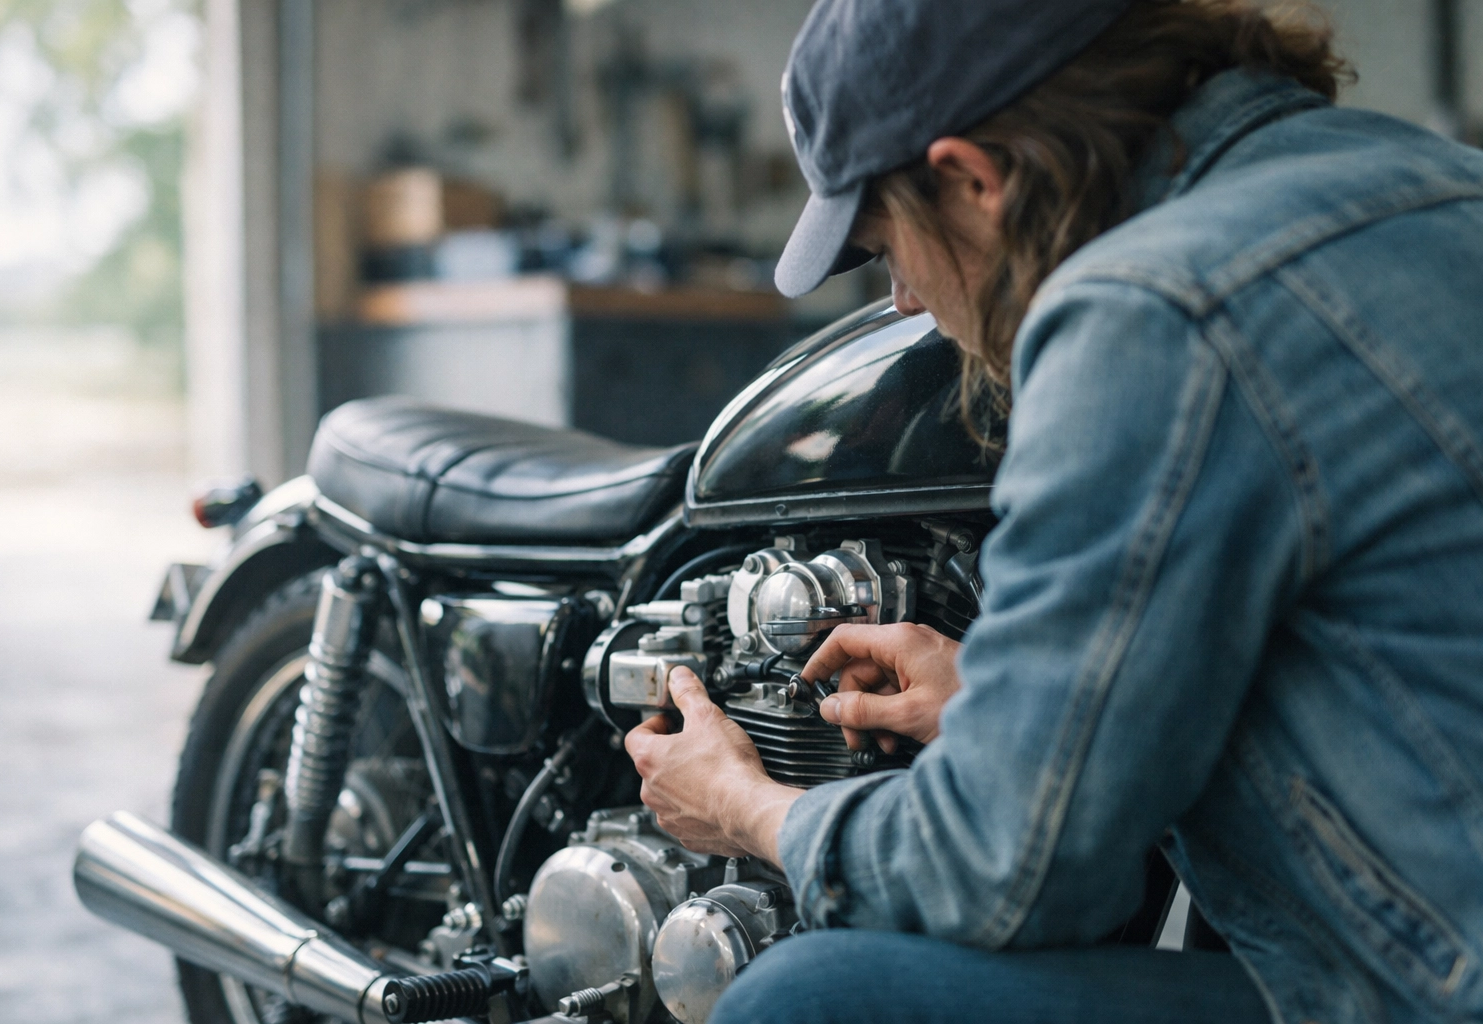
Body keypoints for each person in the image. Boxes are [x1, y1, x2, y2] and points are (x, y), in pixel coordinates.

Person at [625, 0, 1483, 1021]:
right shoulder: (1439, 183)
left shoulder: (1151, 311)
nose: (899, 300)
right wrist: (994, 704)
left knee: (807, 999)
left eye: (887, 241)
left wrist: (749, 808)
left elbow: (1007, 877)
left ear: (977, 180)